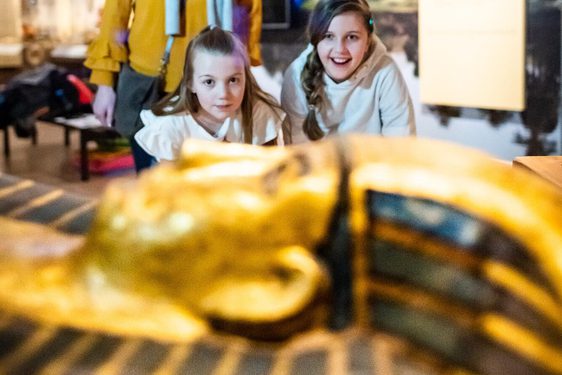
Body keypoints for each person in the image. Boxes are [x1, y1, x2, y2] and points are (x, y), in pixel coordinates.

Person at [84, 0, 264, 172]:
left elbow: (248, 10)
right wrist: (105, 81)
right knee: (153, 187)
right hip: (150, 87)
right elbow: (115, 14)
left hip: (210, 89)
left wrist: (240, 72)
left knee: (207, 185)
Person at [134, 26, 285, 162]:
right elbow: (170, 189)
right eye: (209, 82)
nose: (223, 94)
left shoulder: (259, 114)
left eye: (233, 80)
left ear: (246, 77)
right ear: (190, 82)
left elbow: (272, 176)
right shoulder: (171, 127)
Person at [280, 0, 415, 144]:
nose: (340, 49)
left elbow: (401, 146)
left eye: (352, 37)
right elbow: (299, 153)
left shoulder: (385, 72)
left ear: (367, 41)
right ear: (315, 40)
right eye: (328, 36)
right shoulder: (296, 76)